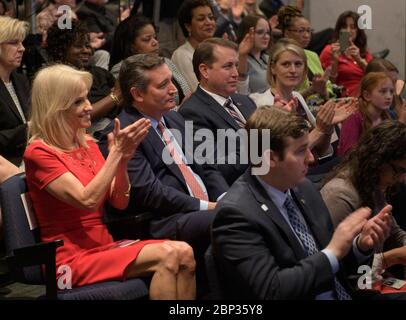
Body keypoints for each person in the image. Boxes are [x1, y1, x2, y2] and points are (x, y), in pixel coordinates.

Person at [23, 64, 196, 299]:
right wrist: (115, 155)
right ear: (56, 107)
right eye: (77, 102)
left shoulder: (88, 144)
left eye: (86, 99)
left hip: (103, 246)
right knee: (169, 255)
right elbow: (87, 200)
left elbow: (119, 202)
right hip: (67, 261)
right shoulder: (39, 153)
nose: (88, 107)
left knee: (184, 253)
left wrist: (122, 161)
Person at [211, 106, 406, 300]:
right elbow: (272, 290)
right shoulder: (236, 214)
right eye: (301, 151)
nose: (310, 159)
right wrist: (333, 251)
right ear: (270, 158)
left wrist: (360, 247)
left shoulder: (303, 188)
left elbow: (337, 266)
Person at [98, 54, 229, 265]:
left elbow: (206, 166)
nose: (174, 89)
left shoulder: (174, 118)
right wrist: (208, 207)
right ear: (138, 94)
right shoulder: (122, 135)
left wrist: (223, 198)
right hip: (164, 220)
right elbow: (150, 193)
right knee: (233, 218)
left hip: (202, 208)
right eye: (163, 85)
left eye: (171, 80)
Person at [321, 120, 406, 283]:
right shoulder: (339, 195)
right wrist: (391, 258)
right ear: (378, 160)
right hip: (356, 287)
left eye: (405, 171)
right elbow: (340, 271)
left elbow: (393, 230)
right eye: (398, 170)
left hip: (371, 279)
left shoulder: (373, 181)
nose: (401, 178)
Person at [249, 40, 356, 161]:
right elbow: (280, 157)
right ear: (273, 68)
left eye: (298, 64)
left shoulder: (297, 96)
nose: (293, 70)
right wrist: (320, 130)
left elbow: (321, 151)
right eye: (286, 64)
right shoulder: (264, 103)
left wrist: (328, 126)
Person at [179, 37, 257, 185]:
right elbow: (216, 170)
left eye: (236, 65)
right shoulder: (191, 112)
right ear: (205, 71)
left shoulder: (246, 102)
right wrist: (259, 143)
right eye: (228, 67)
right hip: (239, 191)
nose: (235, 73)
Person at [46, 20, 120, 134]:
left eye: (87, 45)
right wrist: (114, 97)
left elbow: (122, 97)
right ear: (61, 49)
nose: (86, 51)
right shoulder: (55, 80)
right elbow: (77, 116)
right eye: (78, 46)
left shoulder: (99, 73)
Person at [109, 16, 191, 105]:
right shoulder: (121, 70)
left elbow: (188, 94)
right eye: (147, 39)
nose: (155, 42)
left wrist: (188, 111)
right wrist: (182, 111)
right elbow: (143, 107)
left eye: (155, 37)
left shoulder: (166, 61)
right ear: (131, 46)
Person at [277, 5, 333, 105]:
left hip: (319, 105)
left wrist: (323, 89)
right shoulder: (281, 57)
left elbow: (328, 87)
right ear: (287, 33)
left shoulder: (312, 55)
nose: (307, 35)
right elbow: (285, 97)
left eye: (308, 31)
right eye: (301, 31)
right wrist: (312, 90)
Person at [320, 10, 373, 97]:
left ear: (358, 31)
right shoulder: (329, 50)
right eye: (344, 27)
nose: (348, 31)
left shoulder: (364, 53)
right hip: (342, 98)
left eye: (352, 27)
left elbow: (375, 79)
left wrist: (359, 60)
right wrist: (335, 62)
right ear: (339, 30)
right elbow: (326, 85)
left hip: (365, 97)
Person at [0, 16, 30, 166]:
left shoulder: (21, 80)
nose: (22, 48)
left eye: (21, 42)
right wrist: (28, 129)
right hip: (7, 163)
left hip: (31, 154)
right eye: (14, 43)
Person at [172, 0, 216, 91]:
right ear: (188, 26)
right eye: (201, 19)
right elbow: (198, 91)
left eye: (211, 18)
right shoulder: (181, 55)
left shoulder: (217, 50)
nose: (208, 22)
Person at [235, 14, 271, 94]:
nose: (266, 36)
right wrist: (242, 56)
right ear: (246, 34)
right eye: (260, 32)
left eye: (268, 32)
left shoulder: (268, 58)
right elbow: (241, 93)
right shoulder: (239, 59)